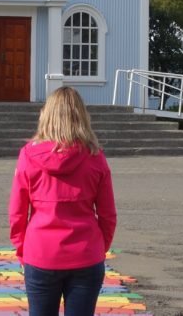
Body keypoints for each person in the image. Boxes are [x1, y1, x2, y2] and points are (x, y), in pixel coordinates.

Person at [9, 86, 117, 316]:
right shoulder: (95, 156)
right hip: (86, 253)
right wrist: (99, 248)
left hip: (41, 252)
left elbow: (17, 213)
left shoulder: (28, 155)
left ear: (46, 115)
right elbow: (108, 215)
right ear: (81, 116)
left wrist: (22, 250)